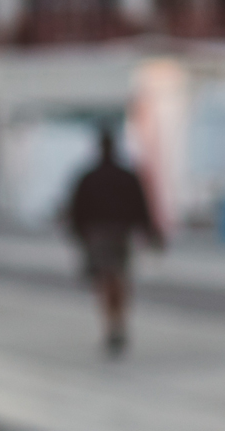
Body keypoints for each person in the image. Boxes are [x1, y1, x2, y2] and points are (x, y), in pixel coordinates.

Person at [63, 127, 163, 356]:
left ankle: (112, 324)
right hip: (120, 233)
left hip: (99, 235)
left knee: (107, 279)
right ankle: (117, 323)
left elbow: (77, 211)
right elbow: (141, 207)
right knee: (117, 277)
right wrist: (150, 233)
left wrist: (78, 235)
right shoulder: (125, 176)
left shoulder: (89, 177)